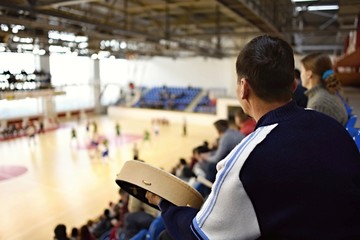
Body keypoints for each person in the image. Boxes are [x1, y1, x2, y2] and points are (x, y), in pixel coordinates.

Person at [146, 35, 360, 239]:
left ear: (244, 89)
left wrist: (166, 206)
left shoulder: (246, 161)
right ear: (294, 86)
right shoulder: (331, 126)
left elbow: (200, 235)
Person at [300, 52, 348, 125]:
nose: (301, 75)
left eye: (302, 71)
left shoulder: (319, 103)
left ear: (309, 74)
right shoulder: (325, 93)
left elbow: (314, 134)